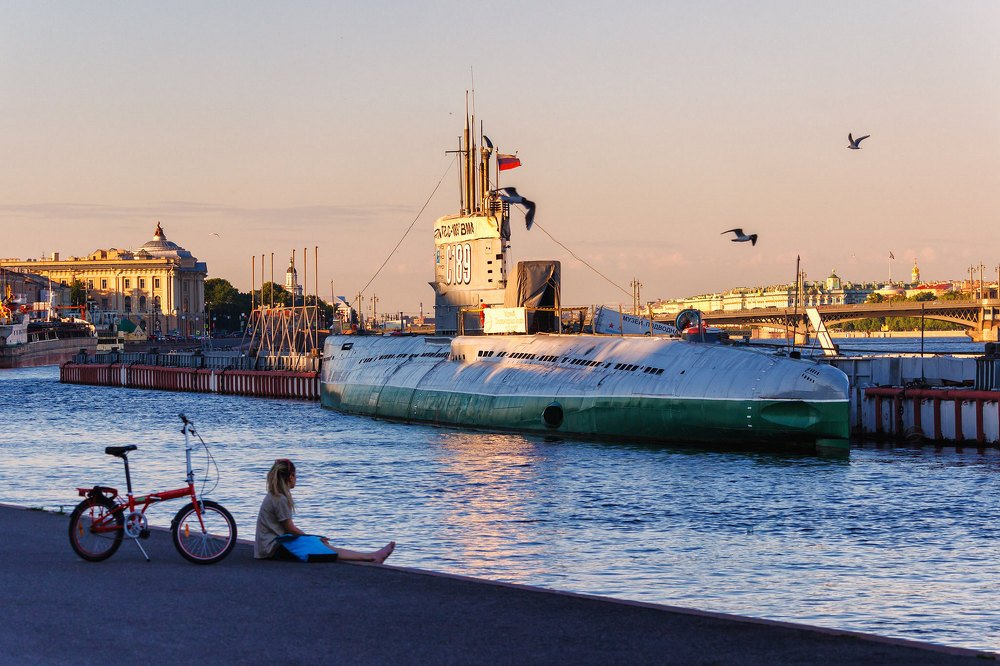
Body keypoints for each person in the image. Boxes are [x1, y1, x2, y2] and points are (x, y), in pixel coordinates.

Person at [255, 458, 395, 563]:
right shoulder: (280, 499)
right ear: (290, 476)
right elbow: (290, 528)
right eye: (295, 476)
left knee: (320, 544)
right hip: (272, 549)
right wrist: (313, 538)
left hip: (268, 547)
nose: (296, 479)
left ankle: (369, 556)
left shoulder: (275, 495)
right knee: (321, 547)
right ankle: (371, 557)